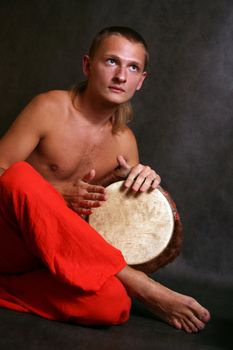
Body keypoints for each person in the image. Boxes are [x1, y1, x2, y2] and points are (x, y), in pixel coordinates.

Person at [0, 26, 210, 333]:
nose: (121, 76)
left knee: (113, 305)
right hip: (9, 242)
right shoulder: (49, 108)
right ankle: (138, 283)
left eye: (133, 67)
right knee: (19, 176)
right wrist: (57, 191)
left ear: (141, 81)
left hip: (51, 263)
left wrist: (145, 185)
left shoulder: (125, 143)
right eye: (111, 61)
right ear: (88, 66)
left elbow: (122, 231)